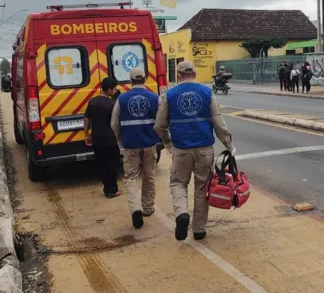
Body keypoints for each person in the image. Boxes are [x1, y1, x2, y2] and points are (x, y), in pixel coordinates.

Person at [154, 61, 235, 241]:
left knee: (178, 184)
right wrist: (229, 146)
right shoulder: (207, 93)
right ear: (195, 74)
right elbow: (219, 123)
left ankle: (182, 213)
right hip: (205, 149)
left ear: (179, 76)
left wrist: (167, 142)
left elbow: (159, 125)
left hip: (181, 150)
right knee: (202, 187)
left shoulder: (169, 95)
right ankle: (199, 229)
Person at [111, 68, 160, 229]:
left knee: (130, 178)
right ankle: (147, 208)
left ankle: (135, 208)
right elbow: (161, 122)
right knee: (149, 176)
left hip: (130, 144)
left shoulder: (122, 99)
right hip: (149, 144)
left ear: (130, 80)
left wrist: (120, 140)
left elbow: (114, 124)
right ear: (145, 79)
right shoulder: (155, 98)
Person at [83, 77, 122, 199]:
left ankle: (106, 188)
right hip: (110, 139)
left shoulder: (92, 101)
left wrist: (86, 134)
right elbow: (117, 122)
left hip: (96, 138)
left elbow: (86, 119)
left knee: (101, 164)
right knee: (112, 164)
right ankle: (112, 190)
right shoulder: (112, 104)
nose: (115, 91)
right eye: (114, 89)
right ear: (109, 90)